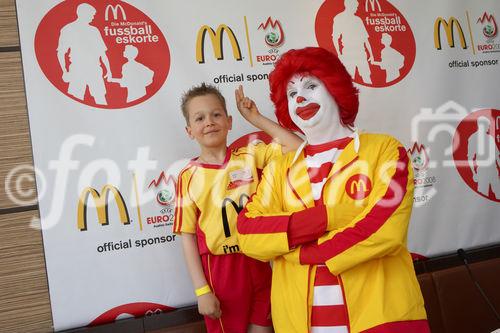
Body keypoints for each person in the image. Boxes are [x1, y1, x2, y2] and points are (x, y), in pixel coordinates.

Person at [237, 47, 430, 333]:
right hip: (298, 324)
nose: (300, 98)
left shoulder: (385, 150)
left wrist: (297, 252)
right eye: (291, 94)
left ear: (335, 89)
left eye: (311, 86)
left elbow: (384, 231)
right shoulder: (280, 168)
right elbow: (249, 232)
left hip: (382, 319)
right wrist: (328, 217)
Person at [173, 83, 302, 333]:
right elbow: (187, 236)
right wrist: (202, 291)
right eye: (200, 118)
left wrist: (256, 118)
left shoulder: (251, 156)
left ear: (230, 121)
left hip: (260, 263)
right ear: (190, 131)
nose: (209, 121)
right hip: (221, 273)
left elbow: (296, 148)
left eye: (216, 114)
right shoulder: (188, 176)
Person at [57, 3, 111, 105]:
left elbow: (102, 52)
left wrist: (108, 69)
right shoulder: (68, 29)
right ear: (82, 13)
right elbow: (61, 52)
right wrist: (64, 71)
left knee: (100, 98)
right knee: (76, 99)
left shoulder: (94, 30)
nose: (93, 17)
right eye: (91, 15)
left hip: (94, 69)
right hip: (78, 69)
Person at [332, 0, 374, 84]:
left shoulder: (358, 20)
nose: (357, 9)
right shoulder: (339, 18)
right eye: (356, 7)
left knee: (367, 77)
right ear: (349, 6)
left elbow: (365, 39)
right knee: (348, 79)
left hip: (361, 52)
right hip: (348, 52)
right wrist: (339, 53)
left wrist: (371, 54)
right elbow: (335, 37)